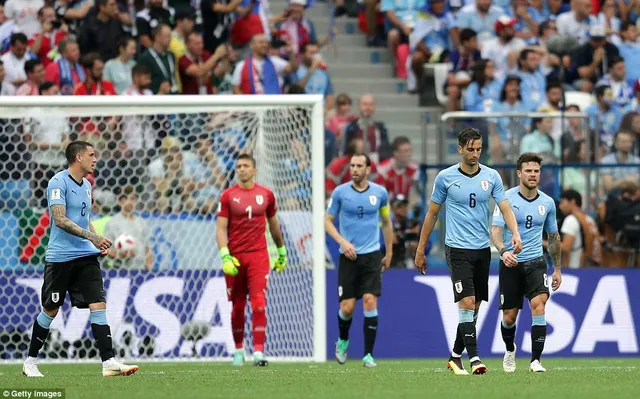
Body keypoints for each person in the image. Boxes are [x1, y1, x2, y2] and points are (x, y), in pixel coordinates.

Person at [23, 141, 138, 378]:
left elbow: (85, 220)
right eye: (91, 155)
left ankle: (108, 362)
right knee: (51, 310)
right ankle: (30, 361)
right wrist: (91, 238)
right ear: (78, 157)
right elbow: (61, 219)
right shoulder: (58, 182)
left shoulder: (87, 185)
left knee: (98, 304)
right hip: (60, 259)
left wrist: (98, 239)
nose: (96, 159)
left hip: (86, 257)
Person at [414, 127, 522, 375]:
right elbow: (431, 215)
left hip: (482, 249)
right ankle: (474, 358)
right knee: (467, 301)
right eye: (471, 149)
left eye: (479, 149)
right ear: (460, 149)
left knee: (474, 307)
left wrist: (514, 231)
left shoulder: (492, 176)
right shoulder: (445, 177)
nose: (475, 154)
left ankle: (454, 357)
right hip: (457, 248)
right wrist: (421, 250)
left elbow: (505, 209)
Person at [491, 152, 562, 373]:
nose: (533, 175)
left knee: (538, 304)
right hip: (511, 263)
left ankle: (535, 360)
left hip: (536, 262)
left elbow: (553, 238)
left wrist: (557, 269)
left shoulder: (547, 203)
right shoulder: (506, 199)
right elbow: (495, 231)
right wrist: (503, 252)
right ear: (519, 173)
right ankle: (510, 349)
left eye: (536, 171)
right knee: (509, 317)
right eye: (529, 171)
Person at [216, 153, 288, 367]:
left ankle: (258, 352)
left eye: (246, 166)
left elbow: (274, 225)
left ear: (254, 170)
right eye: (238, 166)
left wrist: (282, 251)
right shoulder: (228, 196)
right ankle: (239, 351)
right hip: (236, 258)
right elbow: (220, 229)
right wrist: (225, 256)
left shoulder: (266, 195)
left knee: (258, 304)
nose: (241, 169)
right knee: (238, 307)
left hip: (259, 256)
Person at [325, 153, 393, 368]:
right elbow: (327, 221)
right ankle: (343, 340)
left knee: (370, 300)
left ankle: (368, 355)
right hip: (348, 256)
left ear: (368, 169)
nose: (353, 169)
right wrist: (342, 242)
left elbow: (386, 222)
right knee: (347, 307)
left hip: (372, 255)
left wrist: (388, 251)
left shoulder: (380, 193)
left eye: (358, 166)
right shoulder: (340, 193)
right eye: (352, 165)